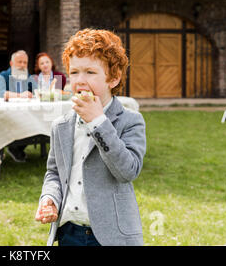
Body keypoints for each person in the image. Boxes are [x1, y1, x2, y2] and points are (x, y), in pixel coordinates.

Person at [35, 29, 147, 246]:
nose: (80, 80)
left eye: (90, 72)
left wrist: (98, 122)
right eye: (75, 72)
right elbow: (54, 172)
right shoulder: (61, 125)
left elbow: (127, 171)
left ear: (113, 78)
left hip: (111, 235)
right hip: (69, 232)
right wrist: (49, 198)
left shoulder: (131, 120)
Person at [0, 50, 37, 162]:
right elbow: (1, 94)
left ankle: (16, 148)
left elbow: (38, 92)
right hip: (7, 114)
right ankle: (15, 148)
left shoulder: (28, 76)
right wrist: (21, 95)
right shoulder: (3, 76)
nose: (23, 65)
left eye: (25, 62)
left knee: (38, 120)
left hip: (27, 113)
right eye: (19, 62)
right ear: (11, 63)